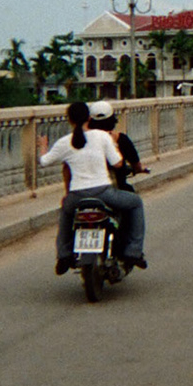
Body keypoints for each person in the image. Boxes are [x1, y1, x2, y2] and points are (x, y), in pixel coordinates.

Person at [40, 99, 148, 274]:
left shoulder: (65, 142)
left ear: (69, 120)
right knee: (135, 202)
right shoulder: (103, 137)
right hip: (103, 193)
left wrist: (43, 147)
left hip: (76, 196)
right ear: (88, 118)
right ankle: (133, 251)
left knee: (66, 215)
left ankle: (63, 254)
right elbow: (119, 163)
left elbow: (44, 162)